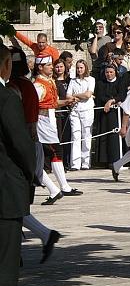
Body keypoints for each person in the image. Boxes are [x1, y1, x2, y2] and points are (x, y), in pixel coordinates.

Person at [0, 44, 37, 286]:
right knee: (5, 264)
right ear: (6, 65)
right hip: (4, 192)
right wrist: (30, 174)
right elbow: (21, 145)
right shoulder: (6, 98)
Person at [33, 55, 82, 204]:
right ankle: (59, 187)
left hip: (50, 118)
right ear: (40, 67)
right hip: (42, 120)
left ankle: (62, 186)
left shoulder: (49, 82)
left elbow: (52, 103)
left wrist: (66, 101)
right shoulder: (38, 85)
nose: (51, 67)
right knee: (52, 151)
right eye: (48, 65)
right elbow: (35, 104)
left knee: (55, 151)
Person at [65, 60, 95, 170]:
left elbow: (88, 94)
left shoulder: (91, 80)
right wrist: (75, 97)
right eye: (78, 68)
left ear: (85, 68)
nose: (79, 70)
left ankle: (86, 161)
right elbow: (68, 96)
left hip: (86, 109)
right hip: (75, 110)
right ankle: (75, 163)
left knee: (86, 135)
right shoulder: (73, 81)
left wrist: (75, 95)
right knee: (75, 135)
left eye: (81, 68)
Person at [93, 64, 122, 165]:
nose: (109, 74)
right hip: (103, 113)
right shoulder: (100, 83)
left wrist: (112, 101)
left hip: (115, 113)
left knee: (114, 136)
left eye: (111, 72)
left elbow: (122, 95)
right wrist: (108, 101)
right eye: (107, 72)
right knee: (104, 135)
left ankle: (115, 159)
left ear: (115, 73)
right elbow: (99, 96)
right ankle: (103, 160)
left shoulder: (119, 82)